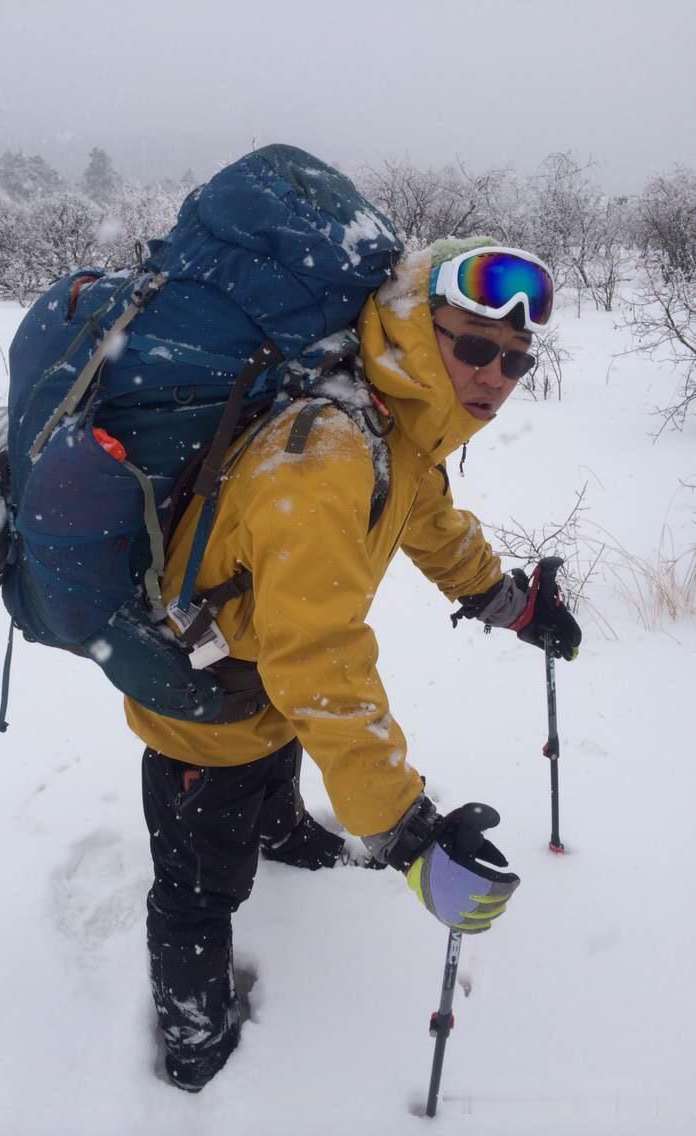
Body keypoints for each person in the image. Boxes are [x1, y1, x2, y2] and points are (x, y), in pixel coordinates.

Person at [123, 237, 582, 1092]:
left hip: (263, 675)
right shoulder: (327, 451)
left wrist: (512, 605)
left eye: (515, 360)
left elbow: (433, 526)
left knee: (275, 761)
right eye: (474, 346)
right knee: (197, 892)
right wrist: (405, 829)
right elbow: (318, 658)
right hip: (202, 695)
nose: (494, 376)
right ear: (415, 327)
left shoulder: (392, 425)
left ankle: (284, 833)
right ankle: (194, 1046)